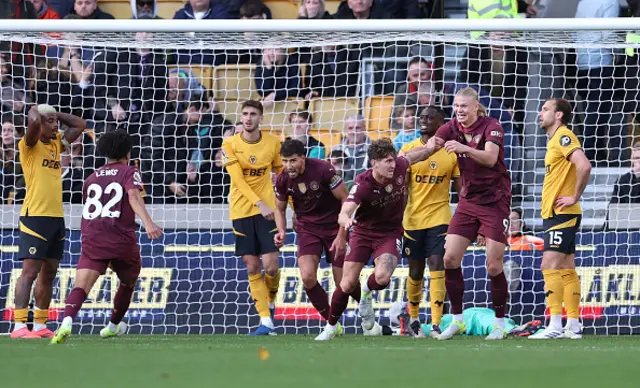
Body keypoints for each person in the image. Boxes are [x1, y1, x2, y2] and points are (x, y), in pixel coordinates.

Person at [315, 137, 441, 341]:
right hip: (363, 234)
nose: (393, 164)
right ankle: (330, 326)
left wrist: (433, 146)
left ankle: (365, 290)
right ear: (374, 163)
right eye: (387, 161)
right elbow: (344, 212)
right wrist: (346, 220)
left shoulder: (400, 166)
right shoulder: (363, 185)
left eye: (393, 160)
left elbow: (420, 153)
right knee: (346, 284)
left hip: (389, 233)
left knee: (382, 278)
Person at [50, 130, 162, 344]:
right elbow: (133, 195)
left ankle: (66, 322)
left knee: (81, 286)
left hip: (93, 235)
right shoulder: (130, 172)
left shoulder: (90, 178)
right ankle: (112, 326)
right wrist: (148, 222)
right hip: (120, 237)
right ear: (128, 153)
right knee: (129, 281)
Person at [426, 87, 512, 341]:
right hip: (468, 201)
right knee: (450, 259)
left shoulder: (492, 126)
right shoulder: (451, 126)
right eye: (456, 106)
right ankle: (458, 320)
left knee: (494, 264)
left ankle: (499, 323)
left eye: (464, 106)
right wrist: (422, 149)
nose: (459, 110)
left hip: (495, 201)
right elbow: (434, 144)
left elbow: (490, 158)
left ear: (476, 107)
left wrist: (463, 149)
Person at [11, 104, 85, 339]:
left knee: (49, 272)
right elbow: (33, 121)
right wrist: (39, 112)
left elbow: (80, 125)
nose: (56, 126)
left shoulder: (56, 143)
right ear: (39, 123)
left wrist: (53, 114)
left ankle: (41, 324)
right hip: (35, 216)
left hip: (56, 217)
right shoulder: (28, 145)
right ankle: (20, 326)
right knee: (29, 272)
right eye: (51, 122)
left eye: (56, 122)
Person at [274, 139, 361, 335]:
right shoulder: (282, 179)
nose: (288, 166)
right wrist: (282, 230)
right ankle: (332, 324)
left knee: (344, 282)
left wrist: (342, 234)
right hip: (307, 229)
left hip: (333, 226)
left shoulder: (324, 170)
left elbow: (345, 199)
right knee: (307, 277)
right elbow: (279, 209)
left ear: (303, 158)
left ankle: (364, 303)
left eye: (293, 160)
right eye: (285, 161)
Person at [529, 98, 591, 340]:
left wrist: (574, 196)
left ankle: (554, 325)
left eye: (545, 109)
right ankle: (573, 325)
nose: (540, 113)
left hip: (562, 213)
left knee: (549, 266)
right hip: (556, 214)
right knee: (566, 268)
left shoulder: (564, 136)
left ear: (559, 115)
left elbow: (584, 165)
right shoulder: (555, 139)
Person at [221, 100, 283, 336]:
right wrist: (259, 203)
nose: (248, 118)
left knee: (272, 266)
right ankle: (265, 320)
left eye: (253, 114)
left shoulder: (273, 143)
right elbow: (238, 179)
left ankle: (271, 299)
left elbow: (281, 173)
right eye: (245, 114)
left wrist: (289, 208)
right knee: (253, 266)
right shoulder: (229, 144)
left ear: (261, 118)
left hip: (267, 211)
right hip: (241, 211)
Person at [399, 106, 460, 338]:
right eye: (421, 117)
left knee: (437, 264)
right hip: (413, 219)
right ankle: (414, 319)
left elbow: (461, 190)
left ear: (442, 123)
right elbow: (403, 188)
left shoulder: (450, 152)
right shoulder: (409, 150)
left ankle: (436, 324)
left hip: (440, 217)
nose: (423, 120)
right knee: (415, 270)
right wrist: (398, 218)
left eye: (430, 117)